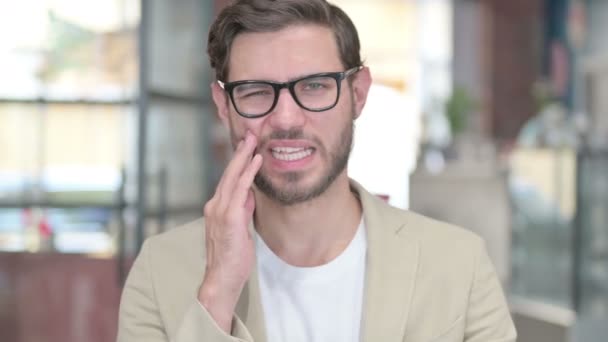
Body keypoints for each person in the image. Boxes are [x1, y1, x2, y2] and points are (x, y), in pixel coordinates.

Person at [117, 0, 517, 341]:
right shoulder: (159, 270)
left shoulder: (459, 266)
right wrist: (217, 292)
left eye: (314, 86)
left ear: (357, 94)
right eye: (255, 91)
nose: (286, 118)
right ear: (224, 107)